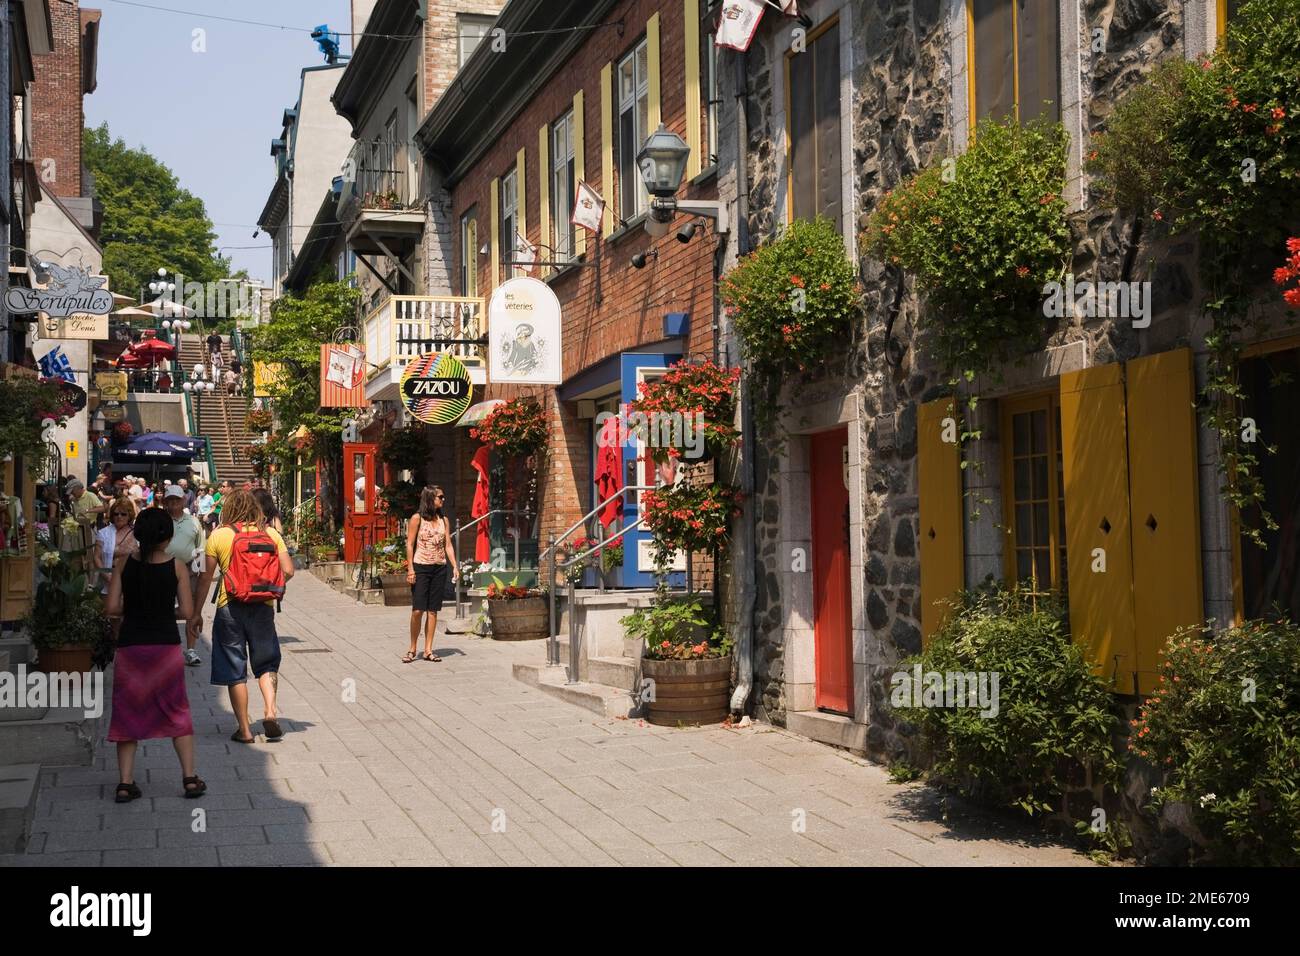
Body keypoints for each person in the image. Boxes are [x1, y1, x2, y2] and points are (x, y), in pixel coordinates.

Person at [105, 507, 205, 802]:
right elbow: (186, 612)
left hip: (131, 647)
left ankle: (125, 783)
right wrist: (163, 611)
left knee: (126, 711)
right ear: (168, 536)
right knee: (176, 709)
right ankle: (189, 778)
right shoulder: (176, 567)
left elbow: (110, 608)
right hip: (165, 649)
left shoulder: (123, 563)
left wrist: (136, 609)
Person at [190, 489, 294, 743]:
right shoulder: (271, 534)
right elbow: (289, 570)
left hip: (230, 606)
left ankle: (245, 730)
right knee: (266, 662)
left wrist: (196, 613)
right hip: (263, 607)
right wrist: (267, 585)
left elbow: (205, 577)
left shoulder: (219, 535)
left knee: (234, 666)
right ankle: (270, 711)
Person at [403, 485, 458, 664]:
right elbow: (410, 544)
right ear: (430, 499)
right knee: (418, 610)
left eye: (443, 497)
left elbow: (448, 545)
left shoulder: (444, 520)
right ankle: (412, 648)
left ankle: (428, 649)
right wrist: (410, 568)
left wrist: (455, 566)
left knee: (432, 610)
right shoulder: (416, 519)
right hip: (420, 567)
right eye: (440, 497)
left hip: (439, 568)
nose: (443, 500)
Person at [163, 485, 206, 667]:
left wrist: (197, 570)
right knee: (163, 609)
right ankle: (166, 648)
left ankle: (191, 649)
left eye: (176, 501)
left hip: (189, 570)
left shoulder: (194, 522)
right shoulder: (161, 520)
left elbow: (201, 548)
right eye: (170, 501)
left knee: (192, 610)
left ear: (182, 501)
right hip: (163, 570)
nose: (173, 505)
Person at [94, 497, 138, 594]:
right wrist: (107, 576)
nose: (119, 516)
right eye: (116, 514)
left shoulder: (138, 533)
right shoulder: (103, 533)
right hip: (107, 582)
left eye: (123, 514)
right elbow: (97, 557)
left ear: (129, 515)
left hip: (132, 582)